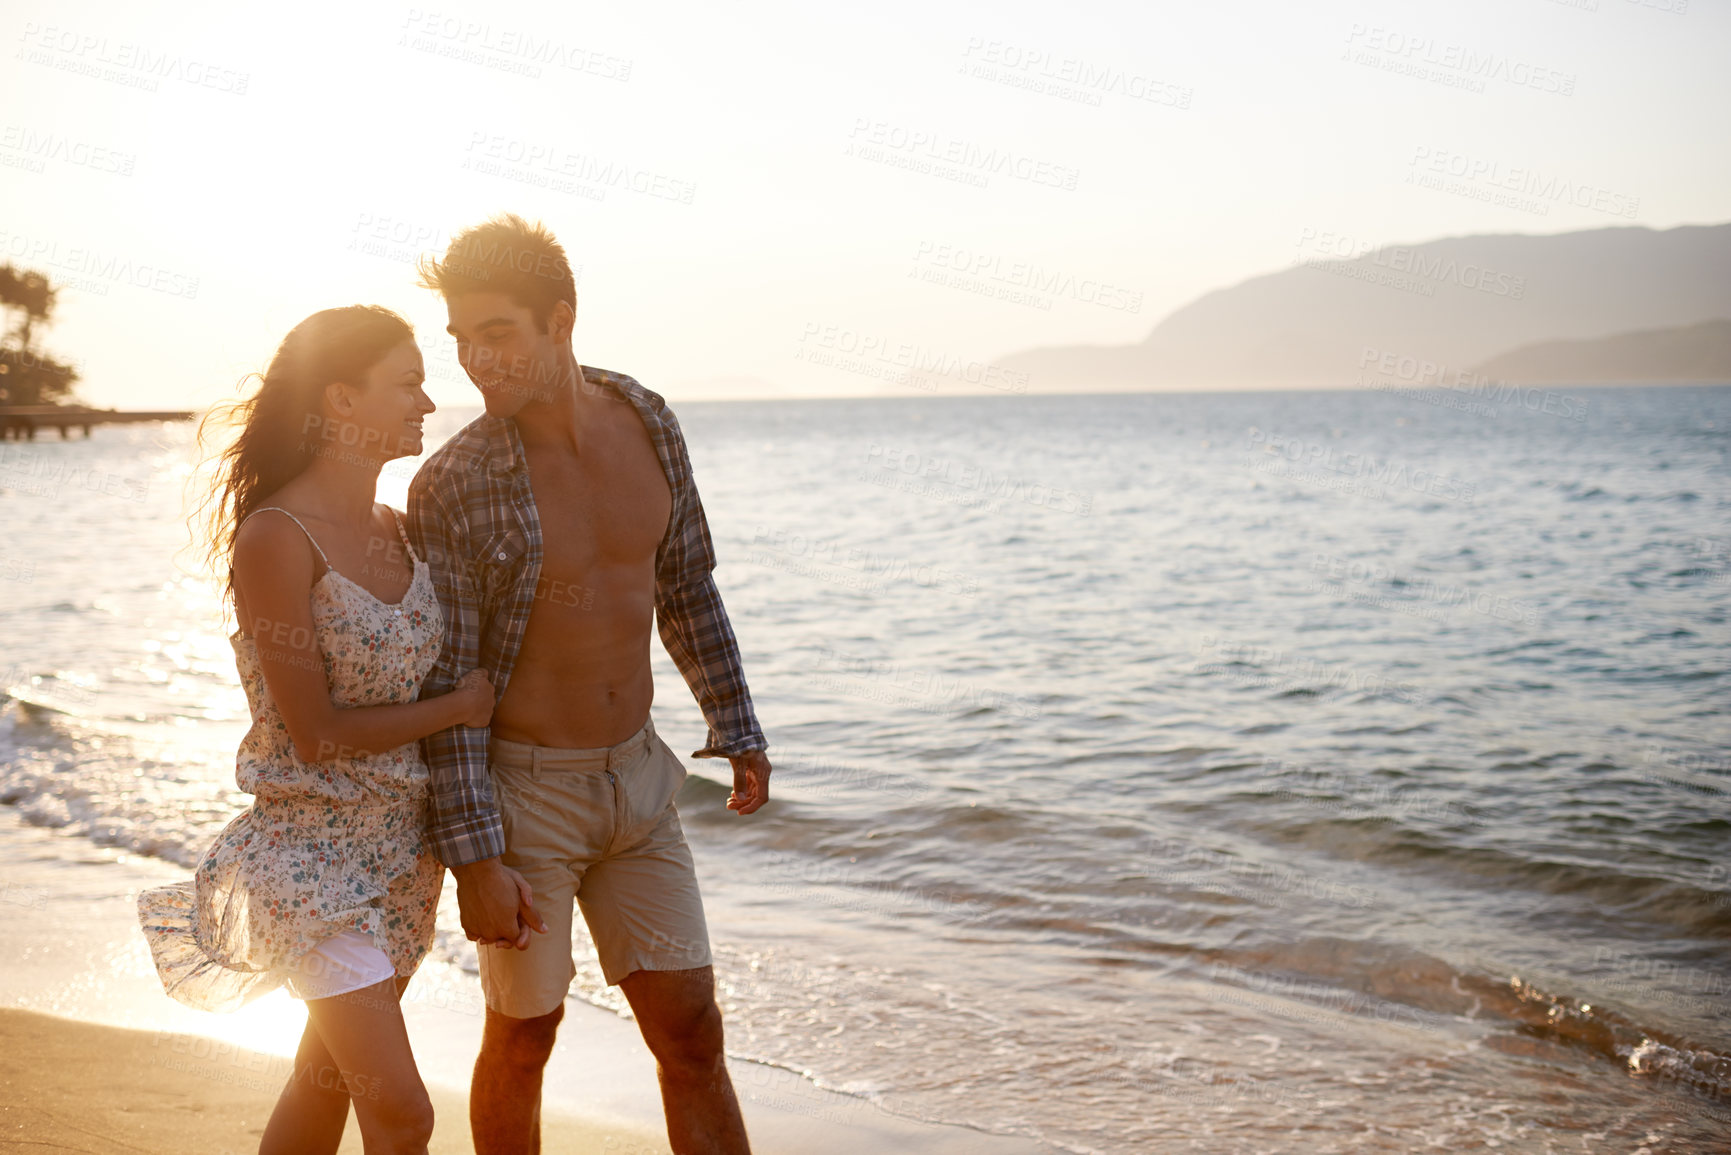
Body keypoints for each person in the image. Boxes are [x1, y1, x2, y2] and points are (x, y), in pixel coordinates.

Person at [407, 214, 771, 1155]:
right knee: (526, 1036)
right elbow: (449, 688)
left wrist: (733, 720)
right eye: (460, 342)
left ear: (560, 319)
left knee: (691, 1027)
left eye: (498, 334)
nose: (476, 362)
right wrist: (476, 855)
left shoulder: (646, 418)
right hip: (526, 794)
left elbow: (685, 582)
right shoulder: (456, 481)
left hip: (641, 783)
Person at [135, 305, 495, 1155]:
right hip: (312, 861)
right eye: (407, 383)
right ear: (341, 398)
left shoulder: (402, 532)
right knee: (403, 1113)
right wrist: (455, 707)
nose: (428, 402)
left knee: (323, 1083)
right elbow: (313, 729)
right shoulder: (275, 538)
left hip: (406, 857)